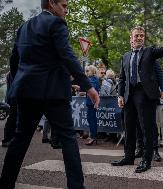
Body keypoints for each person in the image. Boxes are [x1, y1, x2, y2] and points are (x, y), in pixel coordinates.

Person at [0, 0, 100, 188]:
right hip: (53, 92)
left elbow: (14, 60)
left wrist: (18, 83)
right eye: (64, 5)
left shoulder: (24, 27)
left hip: (26, 91)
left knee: (20, 139)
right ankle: (76, 186)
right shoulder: (56, 23)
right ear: (51, 3)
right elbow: (67, 54)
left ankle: (6, 182)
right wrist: (88, 86)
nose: (66, 11)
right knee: (69, 138)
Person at [111, 22, 163, 173]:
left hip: (145, 94)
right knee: (129, 127)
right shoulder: (126, 56)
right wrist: (120, 95)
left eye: (142, 36)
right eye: (136, 36)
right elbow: (122, 78)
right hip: (128, 95)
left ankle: (146, 160)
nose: (139, 38)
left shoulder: (150, 51)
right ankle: (128, 157)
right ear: (131, 38)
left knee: (146, 128)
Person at [84, 65, 100, 145]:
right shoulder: (94, 79)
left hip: (91, 102)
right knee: (92, 119)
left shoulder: (92, 79)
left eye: (87, 71)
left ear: (92, 71)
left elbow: (92, 90)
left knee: (91, 119)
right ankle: (93, 136)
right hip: (92, 102)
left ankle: (93, 137)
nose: (86, 72)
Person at [1, 72, 17, 148]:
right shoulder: (12, 73)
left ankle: (9, 139)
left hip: (11, 97)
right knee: (12, 119)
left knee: (12, 119)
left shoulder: (9, 74)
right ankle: (7, 139)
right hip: (14, 97)